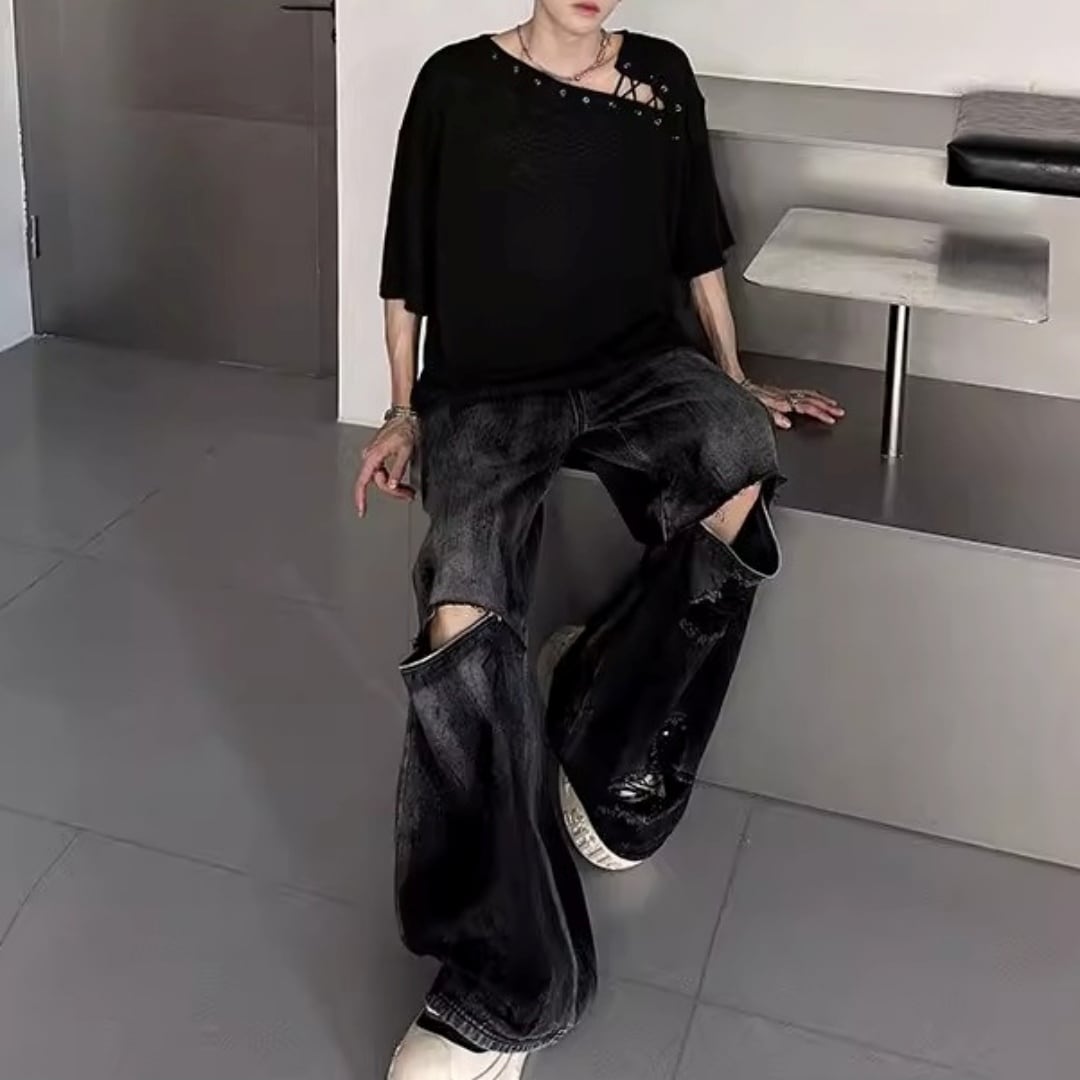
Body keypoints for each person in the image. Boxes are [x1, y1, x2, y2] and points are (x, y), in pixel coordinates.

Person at [356, 2, 844, 1077]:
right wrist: (400, 409)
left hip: (635, 366)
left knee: (737, 470)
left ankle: (608, 729)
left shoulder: (662, 75)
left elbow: (696, 247)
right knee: (462, 609)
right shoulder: (454, 82)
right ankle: (506, 980)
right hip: (488, 391)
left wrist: (734, 378)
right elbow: (407, 267)